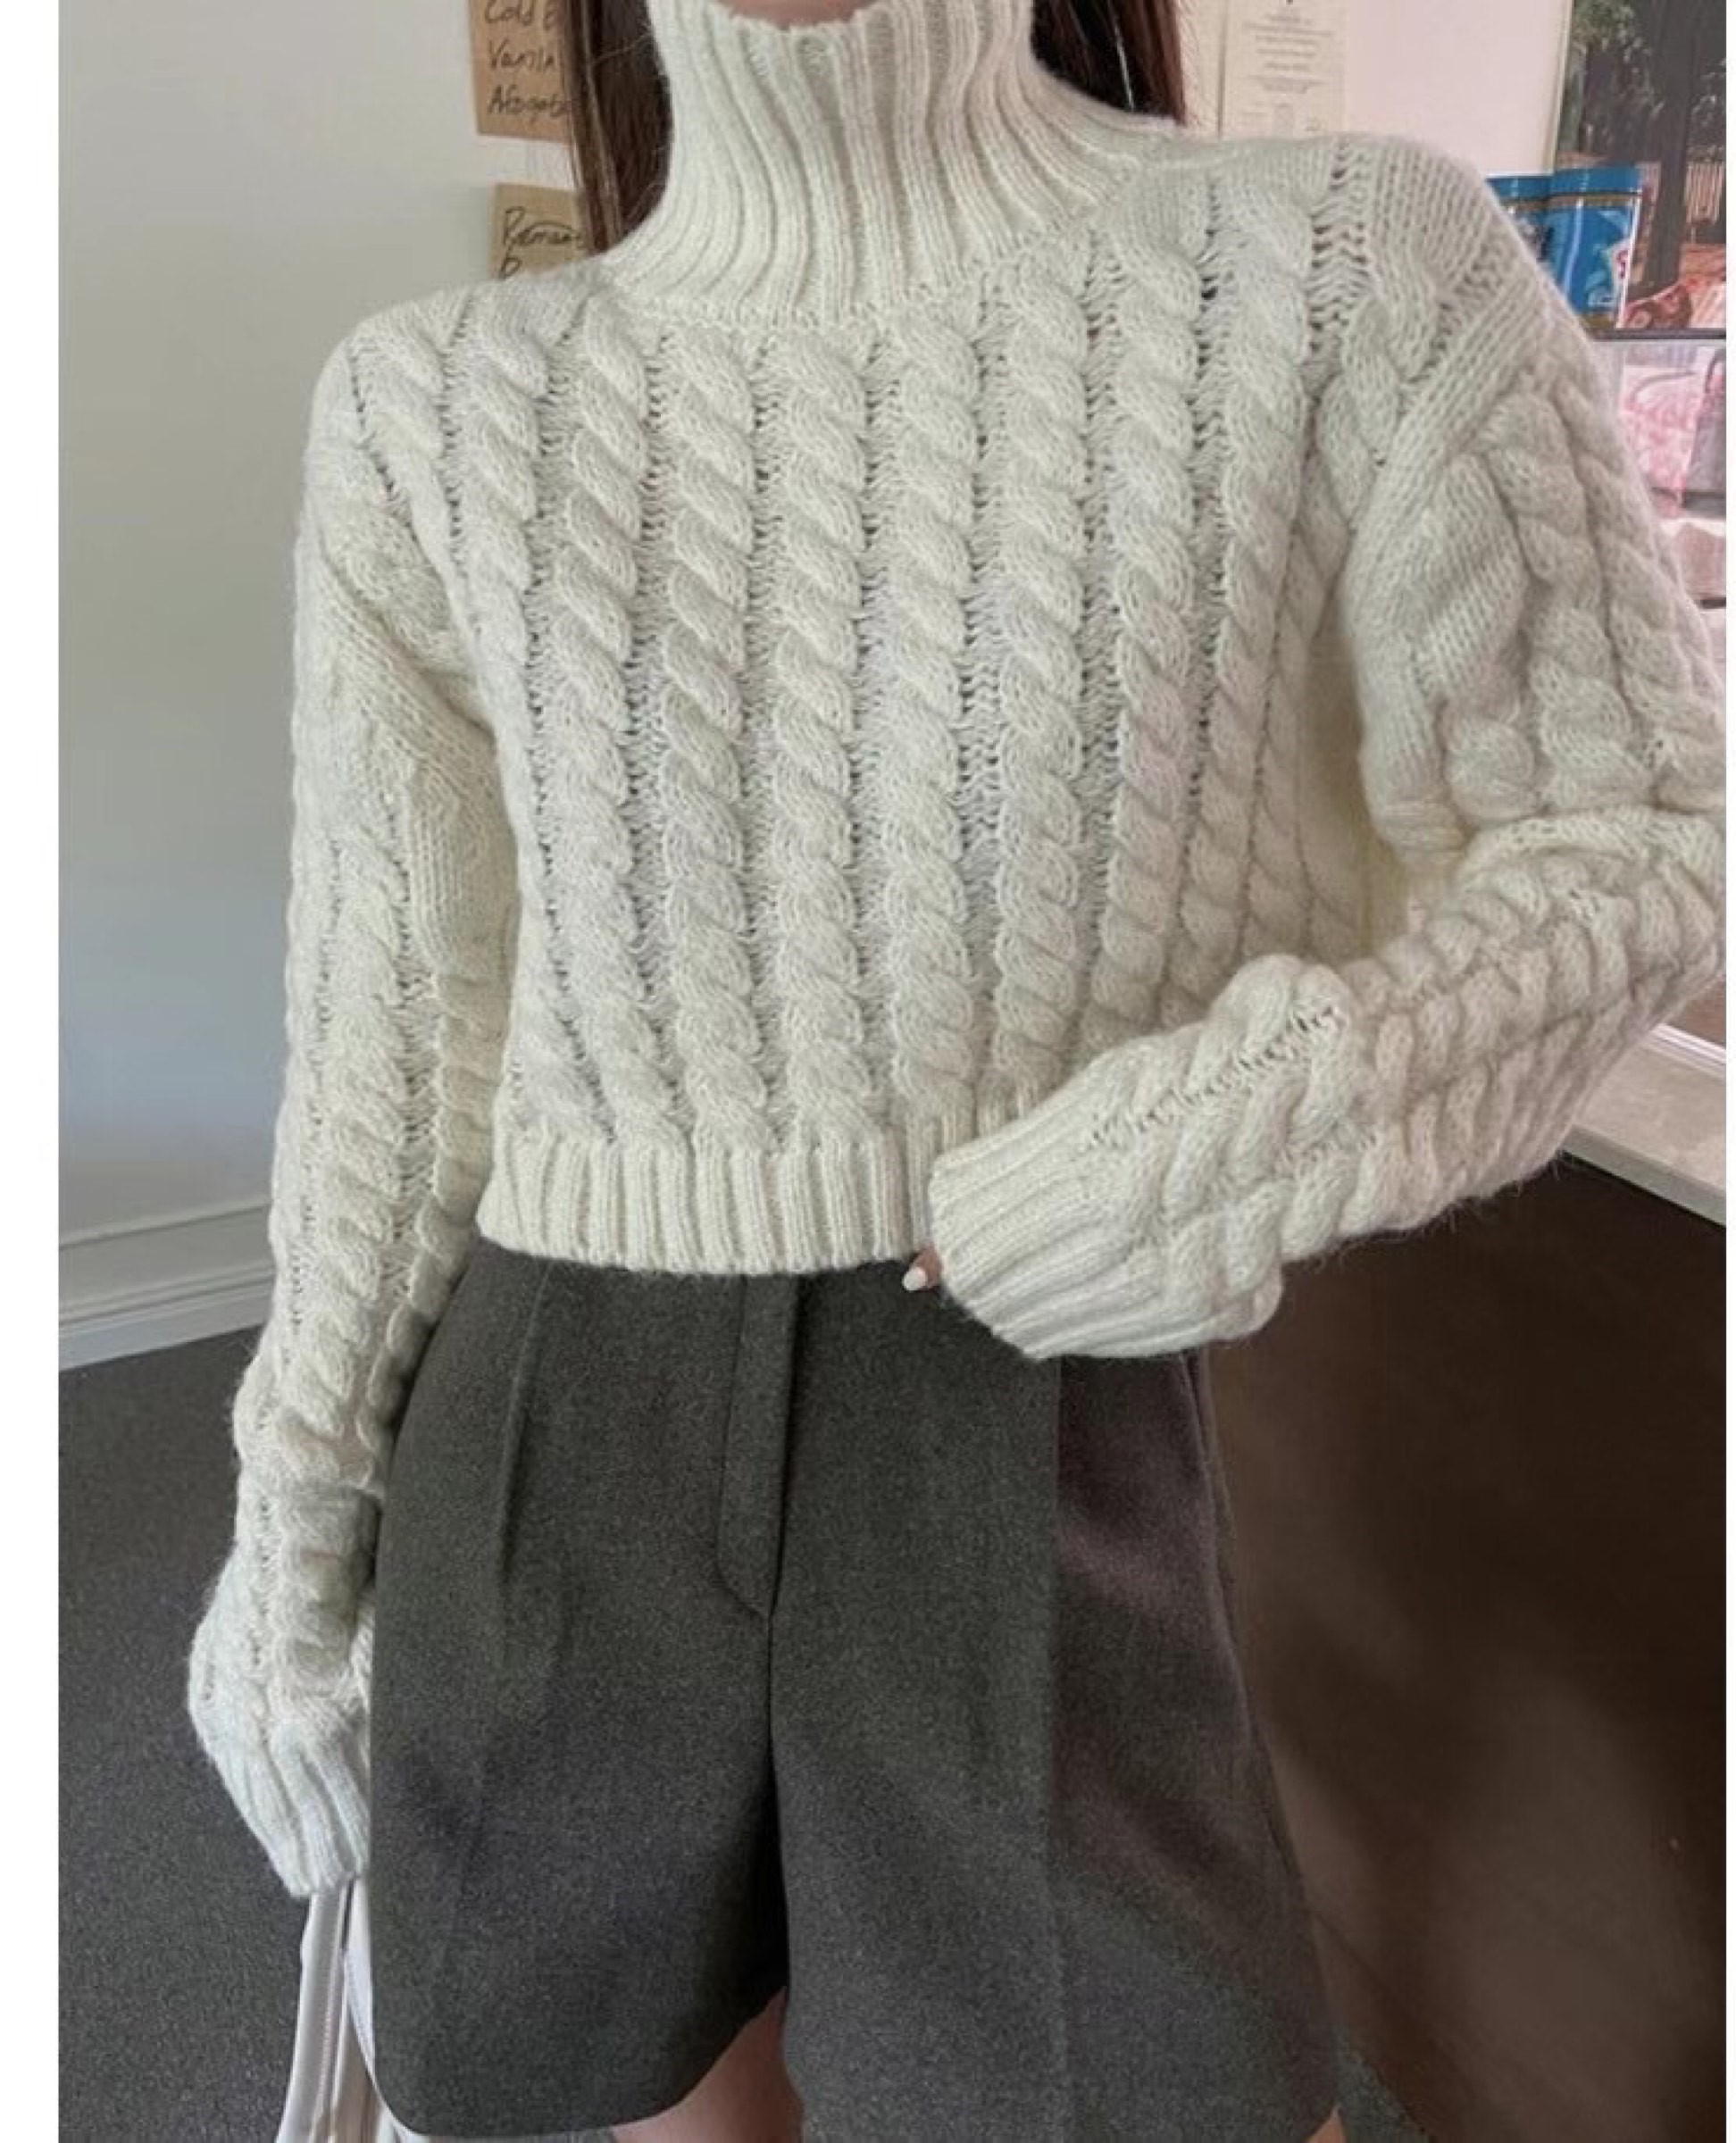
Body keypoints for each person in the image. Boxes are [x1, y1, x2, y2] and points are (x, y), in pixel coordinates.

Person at [184, 0, 1726, 2133]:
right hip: (561, 1410)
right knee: (624, 2088)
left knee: (1150, 2089)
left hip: (1030, 1388)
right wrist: (293, 1518)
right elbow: (394, 1032)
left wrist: (1220, 1145)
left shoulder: (1351, 268)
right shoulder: (432, 405)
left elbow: (1632, 841)